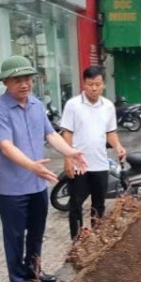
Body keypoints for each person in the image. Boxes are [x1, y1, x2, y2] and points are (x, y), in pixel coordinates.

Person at [0, 56, 87, 282]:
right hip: (13, 187)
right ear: (6, 82)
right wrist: (31, 166)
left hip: (37, 185)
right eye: (18, 80)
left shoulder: (35, 104)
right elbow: (6, 146)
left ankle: (33, 269)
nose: (24, 84)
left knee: (37, 231)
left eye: (28, 79)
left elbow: (50, 133)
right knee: (14, 237)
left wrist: (70, 152)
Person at [60, 65, 126, 239]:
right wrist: (67, 159)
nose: (94, 88)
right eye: (90, 84)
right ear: (84, 84)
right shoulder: (72, 105)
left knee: (99, 204)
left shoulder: (108, 106)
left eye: (97, 84)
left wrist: (118, 146)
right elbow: (67, 133)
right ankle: (76, 240)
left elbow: (110, 132)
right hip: (79, 165)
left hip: (100, 164)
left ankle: (96, 240)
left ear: (103, 84)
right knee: (75, 204)